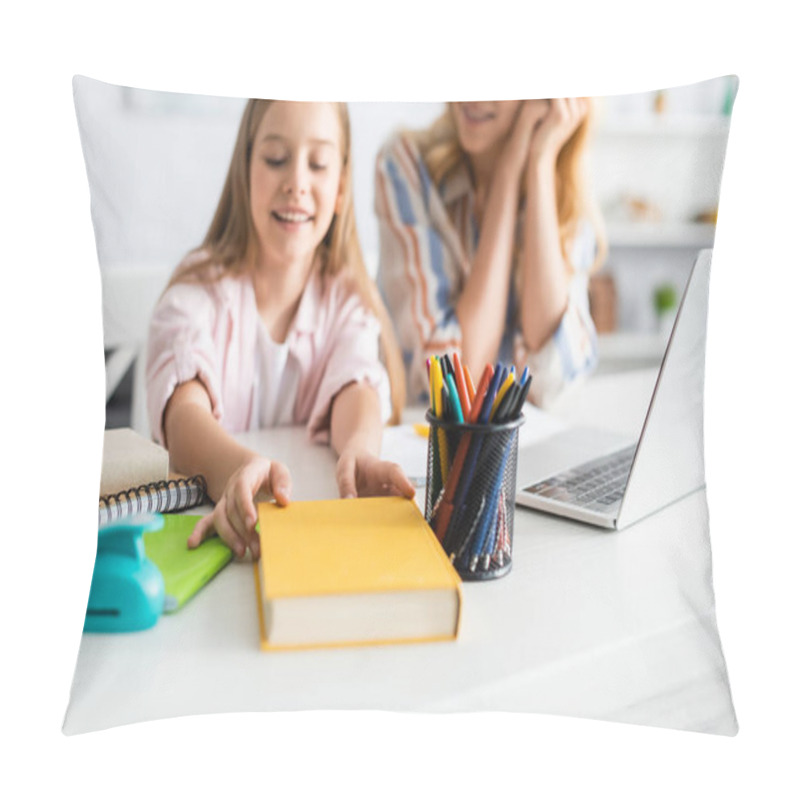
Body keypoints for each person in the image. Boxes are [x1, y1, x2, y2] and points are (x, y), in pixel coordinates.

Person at [146, 100, 415, 560]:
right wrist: (238, 468)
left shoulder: (346, 299)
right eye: (275, 159)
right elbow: (183, 413)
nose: (296, 183)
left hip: (304, 542)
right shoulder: (196, 293)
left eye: (318, 164)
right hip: (211, 540)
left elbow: (358, 385)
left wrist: (360, 450)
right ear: (245, 169)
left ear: (341, 189)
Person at [375, 99, 607, 407]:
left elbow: (554, 380)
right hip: (428, 443)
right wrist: (508, 175)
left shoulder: (566, 188)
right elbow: (455, 387)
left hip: (518, 447)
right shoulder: (406, 162)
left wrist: (539, 162)